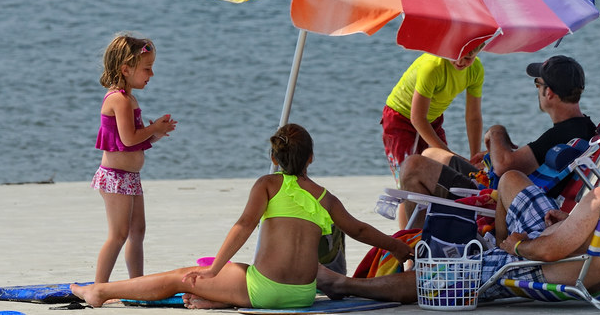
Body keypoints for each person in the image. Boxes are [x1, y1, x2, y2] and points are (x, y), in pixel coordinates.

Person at [317, 111, 600, 304]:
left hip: (547, 268)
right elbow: (595, 236)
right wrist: (570, 220)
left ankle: (344, 285)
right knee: (511, 178)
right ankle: (496, 242)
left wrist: (516, 246)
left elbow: (549, 252)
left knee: (439, 276)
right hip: (589, 266)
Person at [71, 124, 414, 309]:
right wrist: (398, 248)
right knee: (239, 274)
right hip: (303, 294)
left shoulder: (267, 184)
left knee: (181, 276)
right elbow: (359, 230)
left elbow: (244, 226)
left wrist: (213, 269)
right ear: (311, 158)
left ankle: (100, 292)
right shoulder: (324, 196)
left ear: (274, 158)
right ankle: (215, 300)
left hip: (266, 292)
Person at [397, 55, 595, 213]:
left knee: (413, 167)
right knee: (431, 154)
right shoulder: (583, 128)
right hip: (511, 190)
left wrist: (496, 132)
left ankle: (417, 241)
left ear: (549, 93)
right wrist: (491, 154)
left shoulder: (561, 134)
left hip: (494, 202)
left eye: (537, 84)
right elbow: (524, 162)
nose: (537, 90)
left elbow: (504, 166)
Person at [91, 34, 178, 284]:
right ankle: (99, 287)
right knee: (118, 234)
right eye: (147, 69)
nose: (151, 74)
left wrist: (156, 133)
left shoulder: (129, 99)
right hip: (115, 178)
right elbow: (129, 139)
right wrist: (153, 128)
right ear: (126, 69)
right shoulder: (118, 100)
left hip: (130, 177)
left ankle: (136, 284)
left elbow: (134, 141)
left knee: (137, 232)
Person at [381, 46, 485, 185]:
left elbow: (473, 117)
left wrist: (474, 158)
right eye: (455, 54)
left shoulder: (476, 69)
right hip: (400, 118)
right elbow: (417, 118)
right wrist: (453, 156)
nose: (460, 61)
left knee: (443, 173)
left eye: (467, 58)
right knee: (408, 179)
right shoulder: (432, 66)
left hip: (432, 119)